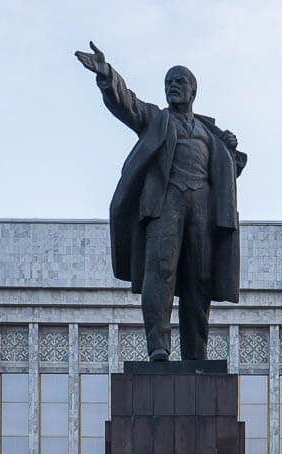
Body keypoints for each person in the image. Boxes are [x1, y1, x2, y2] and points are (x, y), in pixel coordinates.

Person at [75, 42, 247, 360]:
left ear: (193, 90)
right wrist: (106, 75)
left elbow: (228, 175)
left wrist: (230, 151)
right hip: (166, 202)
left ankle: (196, 353)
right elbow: (127, 104)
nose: (172, 87)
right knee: (160, 271)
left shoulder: (210, 132)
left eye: (179, 82)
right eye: (168, 83)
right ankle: (158, 345)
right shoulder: (157, 119)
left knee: (200, 277)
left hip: (202, 206)